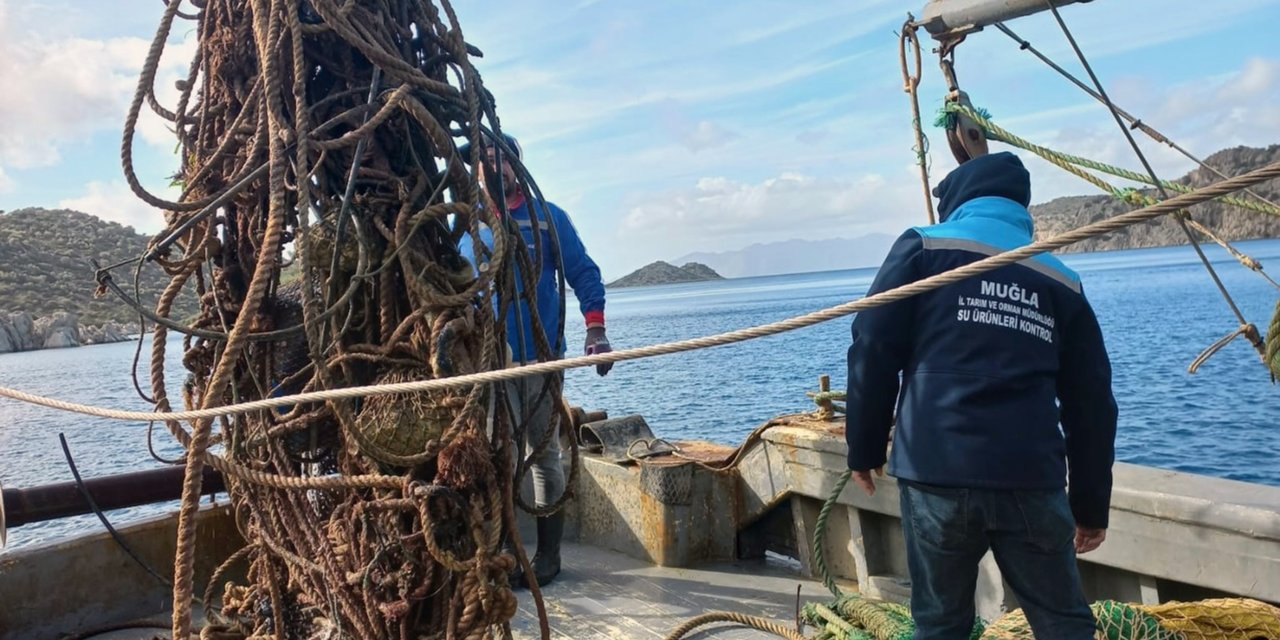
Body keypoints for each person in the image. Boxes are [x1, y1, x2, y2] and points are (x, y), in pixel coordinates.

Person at [844, 151, 1117, 639]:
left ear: (959, 200)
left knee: (940, 623)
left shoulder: (924, 248)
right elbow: (1092, 400)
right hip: (1030, 479)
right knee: (1063, 624)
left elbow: (872, 346)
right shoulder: (1060, 278)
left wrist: (863, 448)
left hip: (935, 474)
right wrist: (1091, 505)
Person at [457, 132, 613, 588]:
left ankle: (548, 556)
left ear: (517, 164)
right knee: (494, 455)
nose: (493, 166)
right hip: (487, 365)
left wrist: (596, 330)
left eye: (501, 158)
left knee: (543, 453)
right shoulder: (465, 228)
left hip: (541, 360)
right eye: (483, 160)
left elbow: (584, 272)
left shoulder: (548, 219)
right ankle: (506, 550)